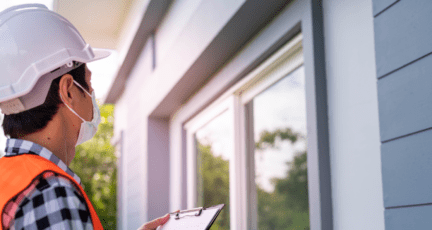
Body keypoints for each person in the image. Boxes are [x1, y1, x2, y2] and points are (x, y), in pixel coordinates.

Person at [0, 4, 170, 230]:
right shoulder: (52, 193)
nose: (92, 96)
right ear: (68, 90)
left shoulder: (9, 179)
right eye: (88, 85)